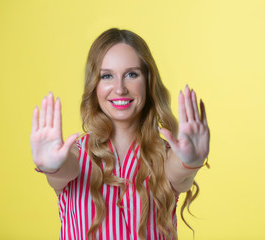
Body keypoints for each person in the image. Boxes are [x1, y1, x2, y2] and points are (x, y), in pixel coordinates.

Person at [30, 28, 210, 240]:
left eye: (131, 74)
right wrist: (51, 167)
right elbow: (63, 171)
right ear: (94, 86)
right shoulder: (76, 155)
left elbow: (178, 172)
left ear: (148, 81)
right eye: (107, 76)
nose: (120, 88)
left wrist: (191, 161)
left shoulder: (166, 155)